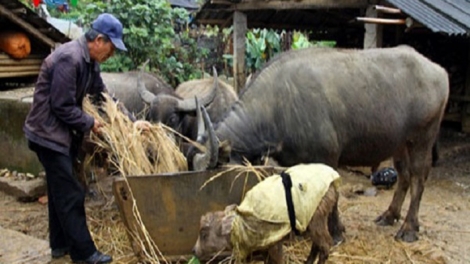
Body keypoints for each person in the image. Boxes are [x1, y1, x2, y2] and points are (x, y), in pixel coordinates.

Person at [23, 13, 149, 264]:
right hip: (47, 135)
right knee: (71, 193)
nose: (111, 54)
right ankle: (85, 254)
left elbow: (104, 97)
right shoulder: (70, 59)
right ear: (99, 40)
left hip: (59, 134)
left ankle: (59, 246)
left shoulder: (90, 63)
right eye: (111, 48)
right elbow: (61, 106)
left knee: (60, 191)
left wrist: (131, 120)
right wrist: (90, 123)